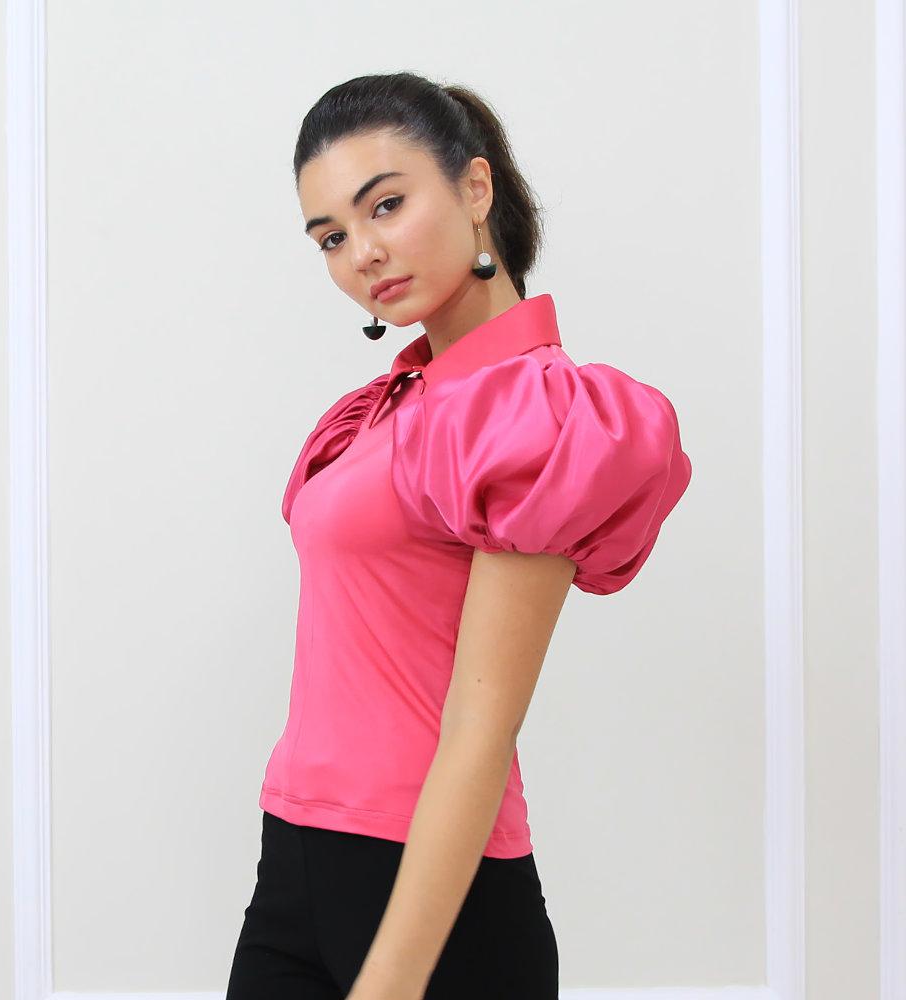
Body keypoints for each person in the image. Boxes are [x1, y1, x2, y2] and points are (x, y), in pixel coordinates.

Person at [225, 71, 692, 1000]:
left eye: (385, 206)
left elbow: (482, 728)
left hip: (437, 898)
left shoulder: (534, 417)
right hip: (296, 857)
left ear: (475, 188)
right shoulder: (383, 411)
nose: (363, 253)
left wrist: (391, 981)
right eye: (331, 237)